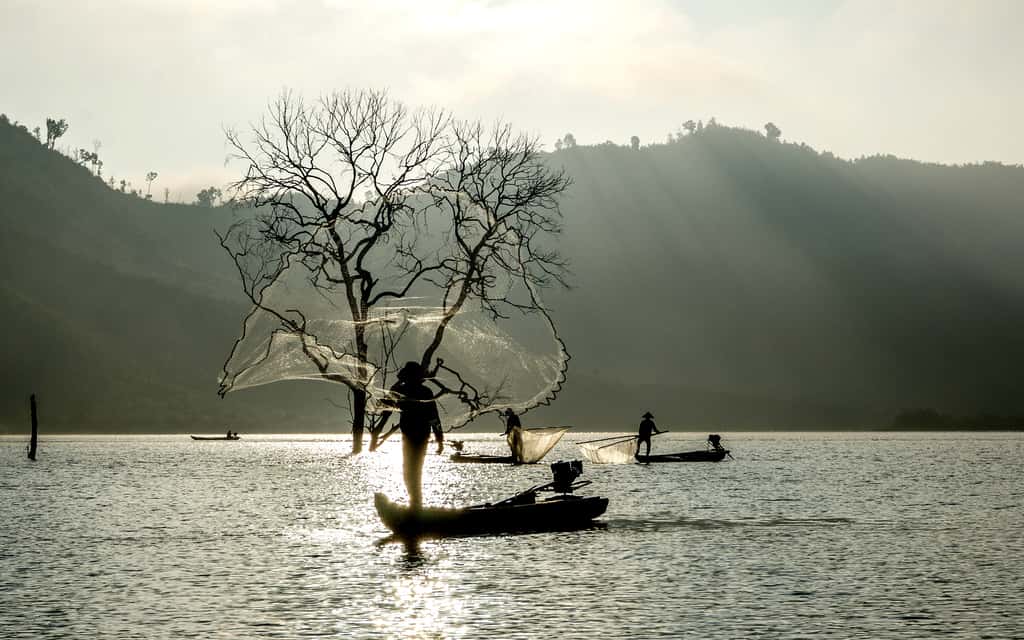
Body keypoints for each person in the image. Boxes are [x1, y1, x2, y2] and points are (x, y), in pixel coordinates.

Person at [376, 361, 444, 510]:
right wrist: (439, 440)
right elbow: (435, 418)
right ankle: (415, 503)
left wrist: (440, 440)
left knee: (411, 470)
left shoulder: (408, 391)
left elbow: (434, 417)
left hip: (416, 436)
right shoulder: (419, 391)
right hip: (416, 435)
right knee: (412, 470)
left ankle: (415, 504)